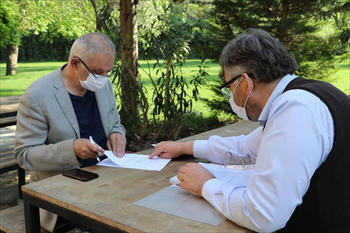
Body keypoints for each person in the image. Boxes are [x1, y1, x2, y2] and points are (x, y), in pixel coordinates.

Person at [149, 28, 350, 232]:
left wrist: (206, 185)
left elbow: (263, 214)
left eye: (229, 86)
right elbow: (245, 148)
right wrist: (185, 147)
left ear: (244, 83)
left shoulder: (295, 112)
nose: (230, 95)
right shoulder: (300, 98)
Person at [14, 32, 126, 232]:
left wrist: (117, 133)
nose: (104, 78)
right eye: (98, 72)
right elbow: (24, 155)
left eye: (108, 71)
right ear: (75, 63)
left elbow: (115, 122)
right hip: (64, 190)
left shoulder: (103, 85)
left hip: (109, 178)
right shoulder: (37, 96)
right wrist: (71, 149)